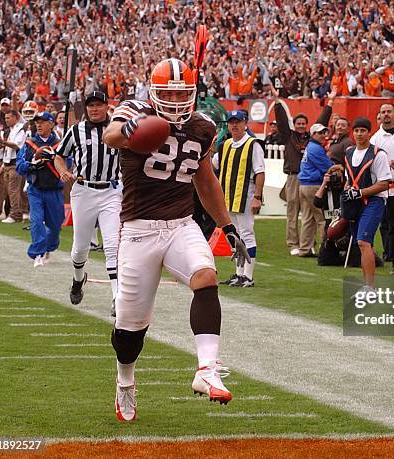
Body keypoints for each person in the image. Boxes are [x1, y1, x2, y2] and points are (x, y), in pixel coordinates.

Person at [103, 58, 250, 421]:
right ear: (153, 91)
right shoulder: (135, 110)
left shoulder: (202, 126)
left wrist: (227, 226)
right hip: (138, 231)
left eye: (181, 93)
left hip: (181, 224)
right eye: (167, 92)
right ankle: (125, 381)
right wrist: (129, 130)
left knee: (206, 276)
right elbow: (110, 135)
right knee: (130, 326)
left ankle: (206, 370)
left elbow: (205, 179)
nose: (174, 99)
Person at [54, 91, 121, 316]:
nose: (94, 109)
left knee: (112, 246)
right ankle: (77, 278)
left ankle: (117, 298)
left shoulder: (118, 128)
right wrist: (63, 171)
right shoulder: (76, 130)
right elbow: (58, 155)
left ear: (106, 106)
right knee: (81, 248)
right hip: (84, 190)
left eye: (98, 105)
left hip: (111, 190)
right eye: (90, 105)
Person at [269, 84, 333, 255]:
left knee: (308, 213)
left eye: (303, 123)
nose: (301, 125)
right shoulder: (288, 136)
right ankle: (292, 243)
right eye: (298, 123)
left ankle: (308, 243)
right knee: (292, 212)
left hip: (307, 180)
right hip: (292, 177)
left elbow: (322, 121)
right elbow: (282, 120)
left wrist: (330, 102)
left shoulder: (312, 138)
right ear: (294, 124)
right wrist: (277, 101)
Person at [214, 110, 265, 287]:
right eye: (231, 122)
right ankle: (239, 273)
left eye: (238, 122)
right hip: (228, 197)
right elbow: (213, 164)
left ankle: (248, 276)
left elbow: (260, 172)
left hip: (245, 196)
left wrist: (257, 196)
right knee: (235, 237)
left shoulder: (253, 144)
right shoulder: (226, 144)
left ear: (245, 124)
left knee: (247, 235)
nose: (234, 125)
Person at [342, 117, 391, 289]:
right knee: (360, 243)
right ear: (352, 132)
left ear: (369, 133)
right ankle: (366, 285)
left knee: (364, 241)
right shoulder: (348, 152)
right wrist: (347, 190)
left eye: (363, 130)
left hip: (374, 201)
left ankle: (370, 287)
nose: (359, 134)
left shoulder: (378, 153)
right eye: (356, 130)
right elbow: (349, 179)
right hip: (355, 203)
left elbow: (384, 183)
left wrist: (361, 192)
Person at [15, 112, 64, 267]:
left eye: (43, 122)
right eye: (37, 122)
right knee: (36, 221)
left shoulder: (60, 143)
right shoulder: (29, 144)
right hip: (35, 189)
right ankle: (37, 253)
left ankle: (49, 247)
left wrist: (55, 159)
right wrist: (33, 164)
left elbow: (68, 163)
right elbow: (19, 167)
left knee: (55, 224)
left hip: (54, 190)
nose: (39, 125)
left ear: (51, 124)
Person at [371, 103, 394, 274]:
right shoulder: (376, 138)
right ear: (380, 114)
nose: (386, 114)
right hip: (391, 186)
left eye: (389, 111)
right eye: (383, 112)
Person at [297, 123, 333, 257]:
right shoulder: (316, 148)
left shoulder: (310, 147)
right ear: (313, 134)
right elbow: (327, 167)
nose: (324, 135)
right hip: (314, 186)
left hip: (304, 185)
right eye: (320, 133)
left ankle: (304, 249)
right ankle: (326, 250)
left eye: (324, 132)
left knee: (307, 218)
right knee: (322, 219)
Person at [0, 110, 27, 223]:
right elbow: (1, 147)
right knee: (10, 191)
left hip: (15, 164)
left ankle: (15, 215)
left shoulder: (21, 130)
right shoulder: (10, 131)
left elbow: (17, 146)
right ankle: (18, 212)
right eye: (6, 118)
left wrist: (3, 142)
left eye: (8, 118)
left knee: (14, 191)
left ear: (16, 118)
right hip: (8, 163)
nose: (6, 120)